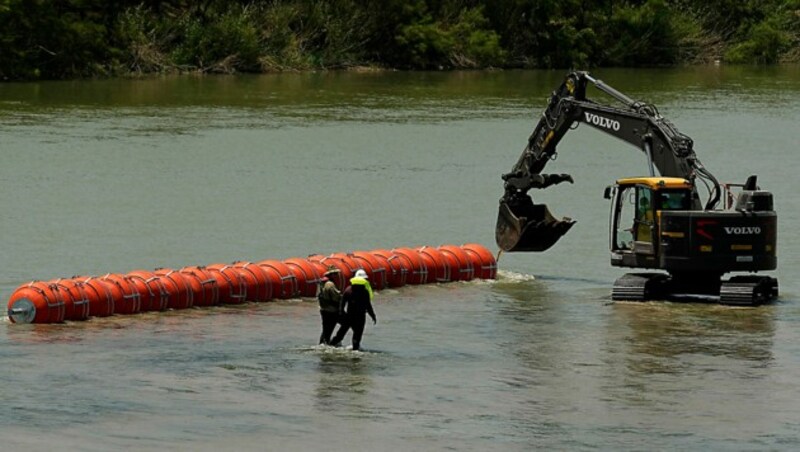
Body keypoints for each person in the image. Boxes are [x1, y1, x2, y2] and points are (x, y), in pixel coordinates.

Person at [330, 269, 377, 351]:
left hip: (349, 316)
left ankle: (332, 345)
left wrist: (341, 313)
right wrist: (373, 315)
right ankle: (355, 349)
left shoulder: (348, 290)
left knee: (341, 333)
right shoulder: (364, 292)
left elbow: (342, 303)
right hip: (360, 317)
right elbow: (368, 306)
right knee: (357, 335)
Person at [317, 268, 342, 345]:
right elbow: (336, 297)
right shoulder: (330, 284)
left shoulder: (322, 283)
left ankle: (323, 343)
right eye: (335, 274)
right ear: (332, 275)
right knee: (346, 323)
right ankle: (334, 341)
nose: (337, 276)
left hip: (324, 309)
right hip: (332, 310)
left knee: (326, 329)